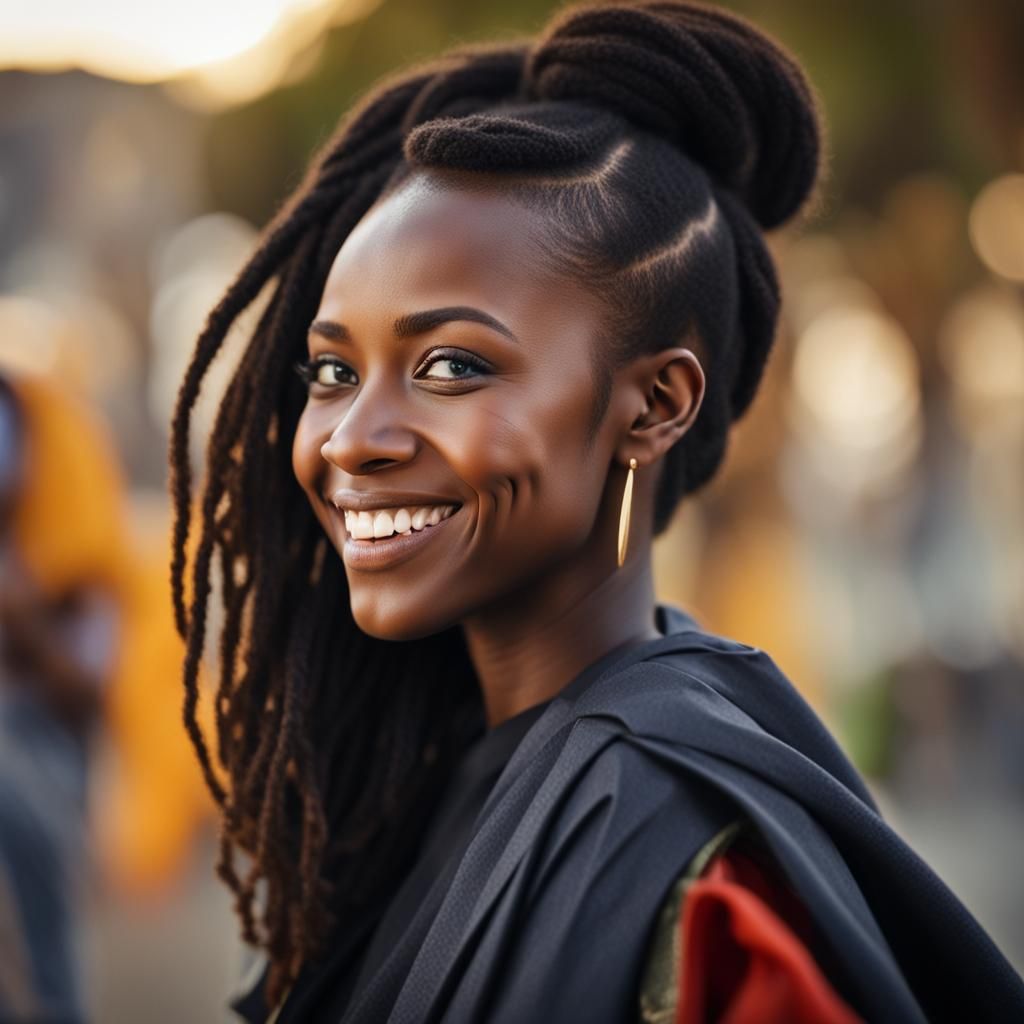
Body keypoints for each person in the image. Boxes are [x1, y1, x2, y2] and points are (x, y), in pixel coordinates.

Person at [169, 2, 1024, 1021]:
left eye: (450, 364)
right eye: (331, 369)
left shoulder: (705, 886)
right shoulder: (420, 787)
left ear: (655, 405)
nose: (352, 437)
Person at [0, 373, 126, 1022]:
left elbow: (87, 678)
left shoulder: (48, 419)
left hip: (37, 737)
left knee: (46, 968)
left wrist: (21, 611)